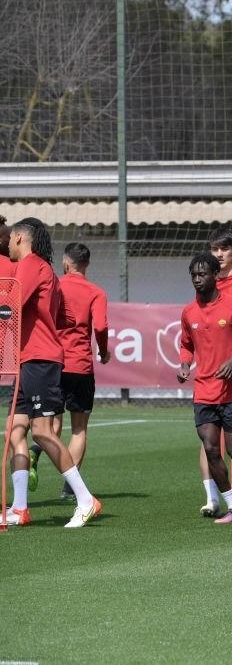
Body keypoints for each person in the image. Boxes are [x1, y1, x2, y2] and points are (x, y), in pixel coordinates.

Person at [4, 218, 101, 528]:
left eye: (10, 238)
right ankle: (20, 508)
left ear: (19, 238)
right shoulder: (42, 268)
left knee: (43, 431)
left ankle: (86, 500)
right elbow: (63, 317)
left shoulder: (32, 264)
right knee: (15, 431)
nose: (6, 243)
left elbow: (11, 306)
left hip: (39, 360)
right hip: (28, 359)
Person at [178, 254, 232, 523]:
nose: (197, 279)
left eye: (202, 274)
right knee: (210, 448)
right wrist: (185, 365)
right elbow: (186, 345)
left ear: (215, 275)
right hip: (204, 390)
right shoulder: (189, 312)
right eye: (193, 274)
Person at [34, 243, 110, 501]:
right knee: (79, 429)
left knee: (50, 423)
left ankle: (36, 449)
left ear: (66, 264)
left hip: (53, 362)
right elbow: (100, 326)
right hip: (80, 366)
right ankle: (70, 485)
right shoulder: (95, 292)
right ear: (86, 264)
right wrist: (104, 350)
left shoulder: (54, 285)